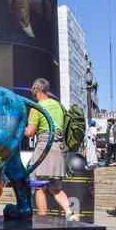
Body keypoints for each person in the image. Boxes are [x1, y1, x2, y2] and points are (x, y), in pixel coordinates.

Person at [25, 78, 79, 221]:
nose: (32, 91)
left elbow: (30, 132)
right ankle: (69, 212)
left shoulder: (37, 107)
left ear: (36, 89)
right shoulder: (59, 106)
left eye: (32, 89)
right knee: (55, 188)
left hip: (44, 148)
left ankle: (42, 219)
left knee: (39, 187)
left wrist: (17, 129)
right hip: (59, 149)